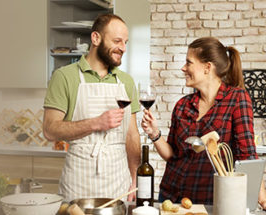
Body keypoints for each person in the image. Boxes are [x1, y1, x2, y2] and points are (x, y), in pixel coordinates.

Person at [141, 36, 266, 207]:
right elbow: (172, 155)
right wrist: (154, 133)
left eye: (188, 62)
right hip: (171, 196)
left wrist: (262, 197)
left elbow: (247, 155)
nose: (183, 68)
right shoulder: (182, 105)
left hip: (210, 200)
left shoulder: (237, 99)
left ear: (207, 67)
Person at [43, 14, 141, 202]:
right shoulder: (64, 77)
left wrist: (135, 178)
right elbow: (49, 130)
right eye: (117, 41)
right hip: (78, 184)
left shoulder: (126, 81)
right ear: (95, 38)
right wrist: (96, 123)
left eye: (126, 42)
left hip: (119, 183)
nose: (123, 48)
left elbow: (132, 135)